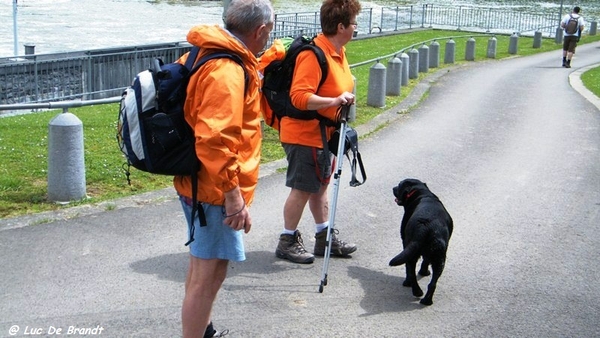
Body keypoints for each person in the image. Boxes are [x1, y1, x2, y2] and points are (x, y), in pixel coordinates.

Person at [173, 0, 274, 336]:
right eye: (269, 32)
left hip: (202, 182)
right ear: (259, 30)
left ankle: (204, 330)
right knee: (207, 275)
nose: (269, 39)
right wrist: (233, 195)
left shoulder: (208, 51)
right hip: (215, 189)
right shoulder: (227, 70)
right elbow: (214, 140)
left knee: (205, 267)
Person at [274, 0, 362, 264]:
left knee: (320, 187)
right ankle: (287, 240)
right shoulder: (312, 55)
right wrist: (335, 102)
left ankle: (324, 238)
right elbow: (299, 97)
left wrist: (340, 100)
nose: (356, 27)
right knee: (302, 188)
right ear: (340, 26)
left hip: (325, 135)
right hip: (304, 135)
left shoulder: (338, 51)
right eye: (354, 23)